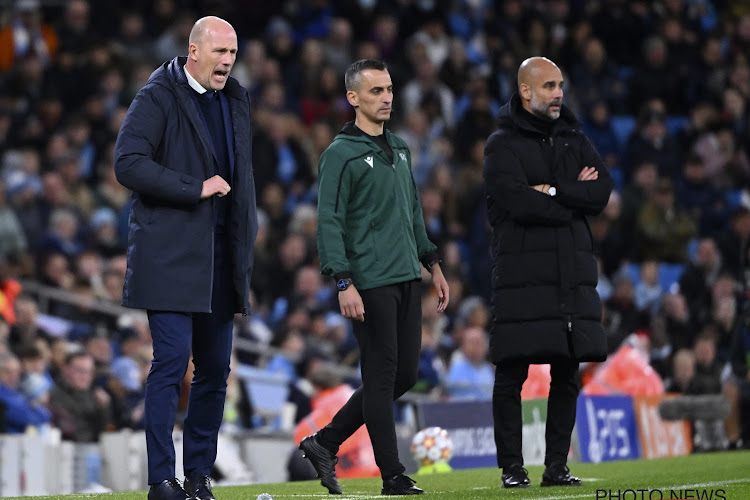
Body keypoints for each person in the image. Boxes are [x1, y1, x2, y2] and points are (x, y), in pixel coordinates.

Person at [114, 16, 257, 500]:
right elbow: (127, 163)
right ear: (194, 51)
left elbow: (242, 180)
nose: (227, 62)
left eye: (233, 53)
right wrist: (193, 189)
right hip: (171, 255)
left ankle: (198, 475)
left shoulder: (235, 99)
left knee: (216, 370)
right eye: (219, 52)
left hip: (220, 257)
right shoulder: (157, 96)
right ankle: (160, 480)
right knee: (172, 362)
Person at [300, 59, 450, 496]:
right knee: (383, 378)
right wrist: (343, 281)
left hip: (407, 275)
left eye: (388, 90)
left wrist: (434, 264)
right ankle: (393, 477)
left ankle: (324, 442)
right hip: (369, 280)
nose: (386, 98)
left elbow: (413, 214)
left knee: (403, 377)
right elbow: (328, 221)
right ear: (353, 98)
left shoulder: (400, 148)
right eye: (375, 92)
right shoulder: (339, 154)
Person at [483, 57, 613, 488]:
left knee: (567, 371)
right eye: (550, 86)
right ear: (526, 92)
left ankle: (557, 466)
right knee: (512, 372)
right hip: (522, 277)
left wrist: (554, 191)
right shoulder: (501, 145)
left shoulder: (574, 138)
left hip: (568, 277)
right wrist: (570, 201)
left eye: (561, 84)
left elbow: (601, 191)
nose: (559, 93)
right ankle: (512, 469)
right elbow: (516, 202)